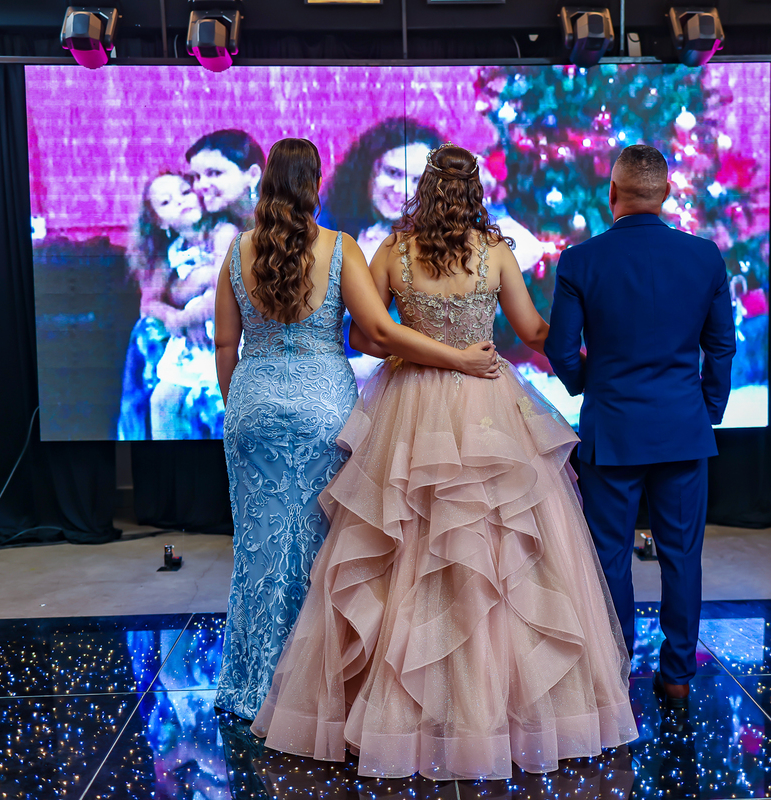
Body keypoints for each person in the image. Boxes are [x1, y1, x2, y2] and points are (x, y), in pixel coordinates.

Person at [251, 145, 637, 780]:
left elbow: (364, 335)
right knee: (502, 548)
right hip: (487, 399)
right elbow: (534, 333)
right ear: (475, 191)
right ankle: (497, 714)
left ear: (424, 190)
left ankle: (399, 715)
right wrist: (604, 353)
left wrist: (419, 351)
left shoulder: (393, 251)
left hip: (410, 403)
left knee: (403, 545)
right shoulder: (496, 253)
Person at [212, 139, 502, 723]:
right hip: (324, 409)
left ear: (265, 184)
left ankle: (252, 688)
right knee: (327, 551)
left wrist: (238, 401)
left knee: (257, 548)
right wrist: (459, 359)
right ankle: (315, 693)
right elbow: (379, 333)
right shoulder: (340, 247)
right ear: (315, 185)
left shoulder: (236, 250)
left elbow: (224, 343)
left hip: (252, 408)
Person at [545, 144, 736, 714]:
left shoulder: (580, 261)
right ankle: (677, 677)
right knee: (682, 556)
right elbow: (720, 347)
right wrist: (707, 409)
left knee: (610, 558)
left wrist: (593, 385)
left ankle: (615, 673)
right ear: (667, 193)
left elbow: (561, 350)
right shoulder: (705, 257)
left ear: (612, 194)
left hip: (614, 431)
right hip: (682, 429)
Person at [117, 171, 224, 440]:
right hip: (192, 339)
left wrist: (191, 315)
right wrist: (174, 317)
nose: (179, 201)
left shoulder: (223, 233)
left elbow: (226, 284)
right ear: (159, 220)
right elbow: (148, 302)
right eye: (166, 202)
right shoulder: (172, 252)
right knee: (161, 402)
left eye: (185, 192)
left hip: (229, 329)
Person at [321, 117, 442, 265]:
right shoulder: (321, 219)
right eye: (393, 172)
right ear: (366, 169)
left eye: (418, 180)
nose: (401, 190)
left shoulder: (444, 237)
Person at [187, 129, 265, 241]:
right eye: (196, 176)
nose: (200, 186)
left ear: (253, 175)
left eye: (214, 173)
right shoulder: (214, 228)